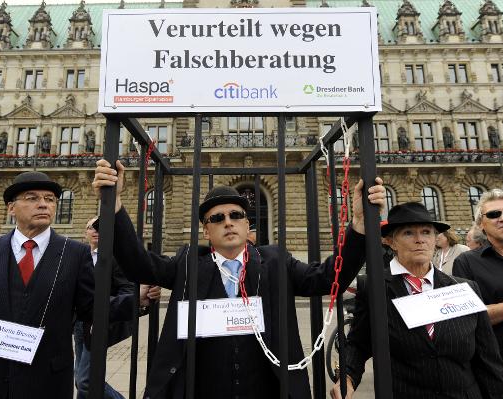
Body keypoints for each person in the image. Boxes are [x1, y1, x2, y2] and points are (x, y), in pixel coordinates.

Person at [93, 159, 386, 399]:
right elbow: (137, 263)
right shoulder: (188, 263)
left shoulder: (274, 261)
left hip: (266, 388)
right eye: (217, 218)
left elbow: (326, 278)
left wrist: (358, 226)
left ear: (247, 225)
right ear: (206, 232)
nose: (228, 222)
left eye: (235, 215)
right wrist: (114, 202)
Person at [0, 171, 134, 399]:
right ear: (11, 208)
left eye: (50, 199)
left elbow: (94, 308)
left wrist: (138, 298)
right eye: (32, 198)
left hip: (44, 384)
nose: (43, 204)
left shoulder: (76, 254)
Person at [331, 202, 503, 399]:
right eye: (408, 233)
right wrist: (347, 377)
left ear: (435, 239)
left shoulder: (464, 289)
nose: (419, 240)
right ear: (391, 242)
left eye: (426, 232)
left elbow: (488, 360)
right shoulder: (374, 287)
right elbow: (358, 343)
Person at [74, 217, 162, 399]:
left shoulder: (113, 259)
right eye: (92, 227)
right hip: (79, 325)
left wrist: (107, 308)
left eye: (100, 227)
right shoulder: (80, 256)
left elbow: (127, 289)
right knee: (80, 379)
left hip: (100, 324)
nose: (96, 231)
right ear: (86, 232)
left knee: (86, 380)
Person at [453, 189, 503, 383]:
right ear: (481, 225)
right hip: (496, 371)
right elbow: (465, 317)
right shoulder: (467, 262)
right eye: (494, 215)